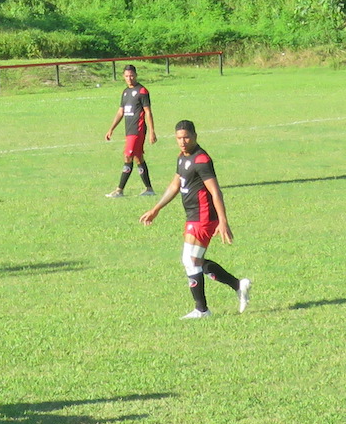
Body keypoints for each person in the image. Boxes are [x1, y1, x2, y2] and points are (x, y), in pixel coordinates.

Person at [141, 119, 248, 319]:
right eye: (179, 138)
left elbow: (216, 192)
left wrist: (223, 221)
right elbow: (175, 185)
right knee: (195, 260)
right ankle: (237, 285)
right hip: (193, 215)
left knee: (190, 260)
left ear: (195, 136)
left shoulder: (201, 160)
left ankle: (202, 310)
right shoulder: (182, 157)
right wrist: (156, 208)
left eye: (186, 137)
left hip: (203, 216)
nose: (182, 142)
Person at [103, 64, 157, 198]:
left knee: (128, 156)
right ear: (123, 76)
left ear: (136, 75)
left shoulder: (142, 91)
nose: (129, 78)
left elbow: (148, 112)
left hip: (138, 130)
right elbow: (120, 112)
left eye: (132, 75)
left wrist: (152, 131)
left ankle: (119, 190)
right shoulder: (125, 92)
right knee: (138, 158)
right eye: (127, 76)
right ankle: (149, 189)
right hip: (129, 130)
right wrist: (111, 129)